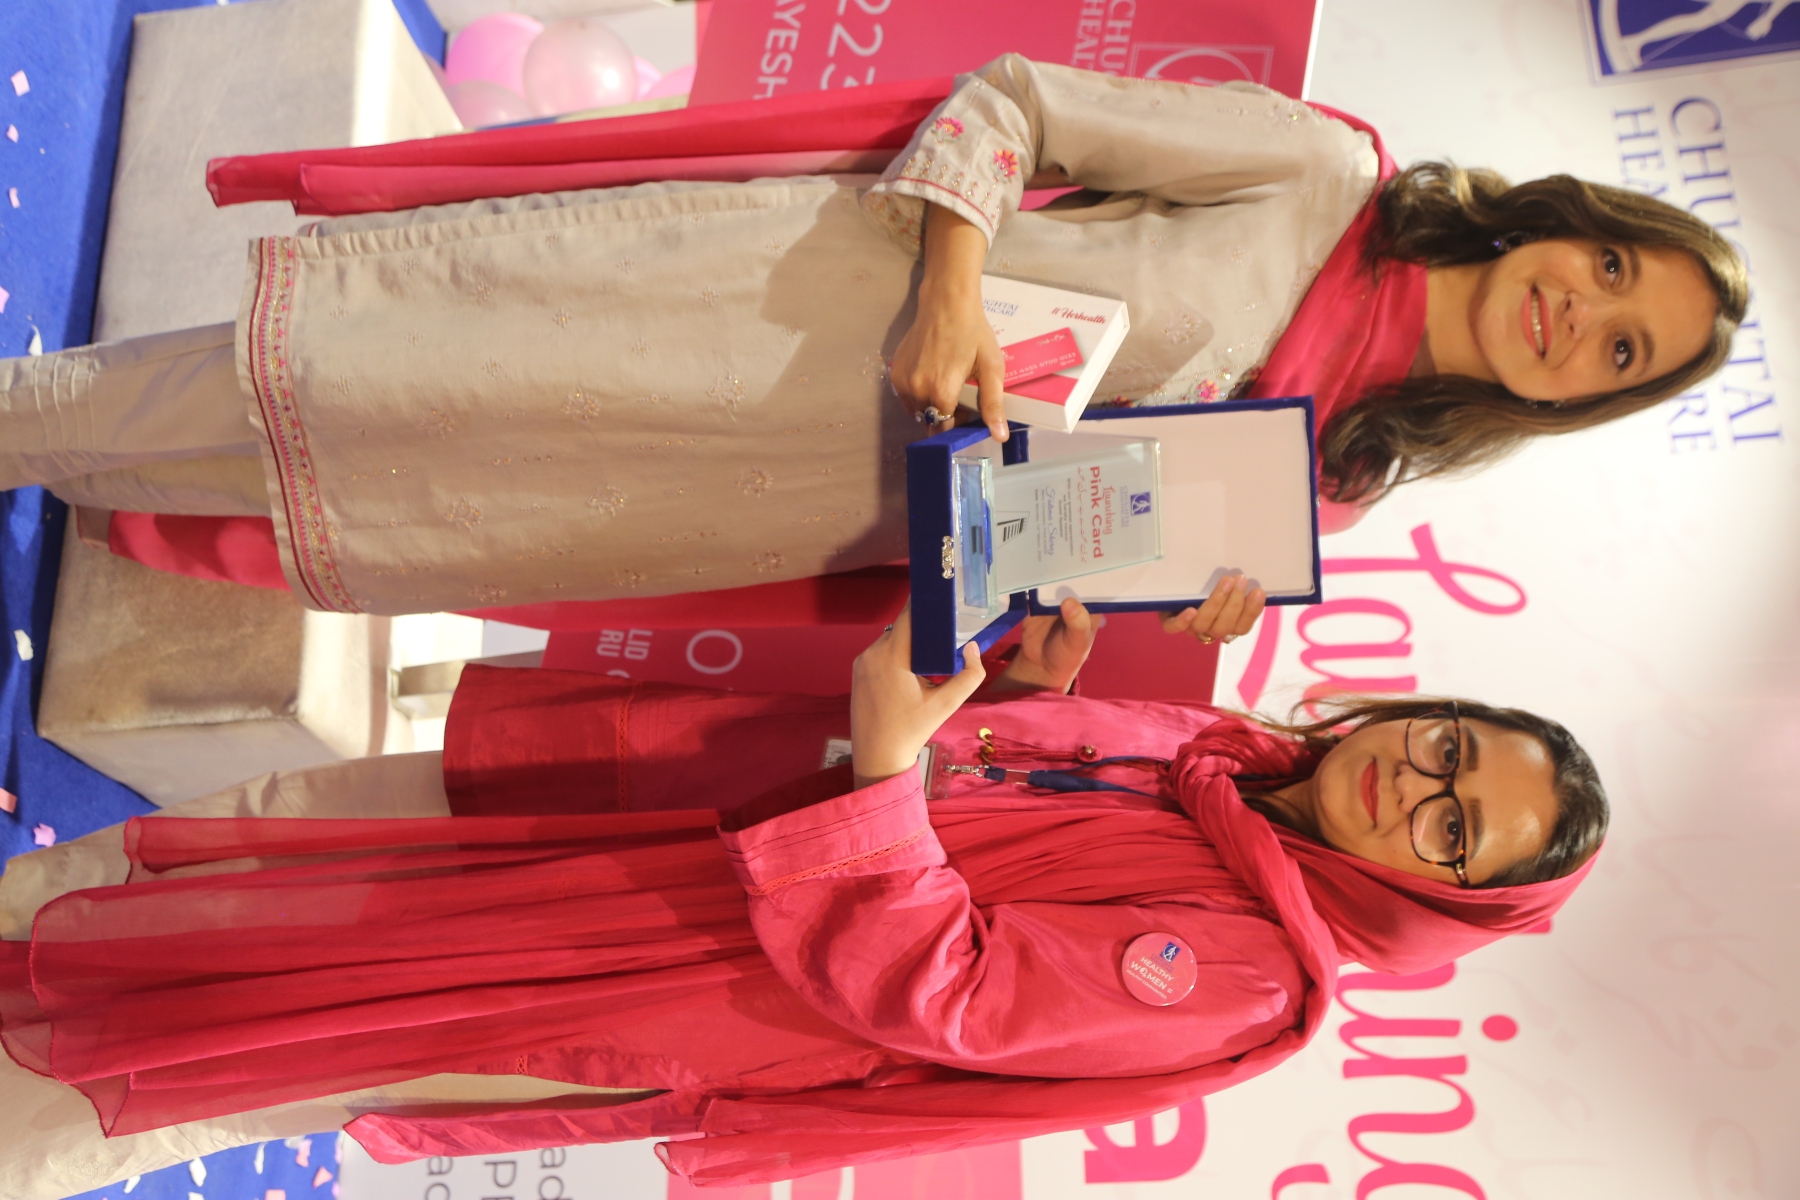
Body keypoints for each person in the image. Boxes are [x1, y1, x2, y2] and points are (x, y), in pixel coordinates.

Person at [0, 55, 1743, 628]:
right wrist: (957, 291)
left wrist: (1078, 616)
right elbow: (1014, 104)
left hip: (764, 491)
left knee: (410, 489)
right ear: (1569, 220)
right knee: (343, 373)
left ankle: (57, 467)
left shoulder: (1335, 486)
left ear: (1580, 407)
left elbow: (1012, 543)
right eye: (1611, 270)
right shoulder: (1324, 179)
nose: (1579, 316)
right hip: (757, 310)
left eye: (1619, 353)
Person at [0, 596, 1606, 1197]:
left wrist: (890, 771)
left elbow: (950, 990)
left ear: (1443, 900)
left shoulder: (1258, 978)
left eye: (1456, 831)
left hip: (659, 971)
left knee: (237, 1047)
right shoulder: (1224, 754)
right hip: (653, 831)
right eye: (1452, 748)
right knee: (260, 850)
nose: (1420, 785)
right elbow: (999, 800)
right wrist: (1027, 696)